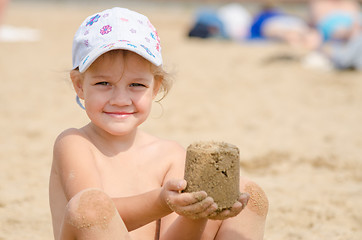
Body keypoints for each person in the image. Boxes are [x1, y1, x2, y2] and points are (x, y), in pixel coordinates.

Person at [49, 7, 268, 240]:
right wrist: (162, 201)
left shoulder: (170, 155)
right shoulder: (75, 143)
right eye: (104, 83)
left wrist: (198, 212)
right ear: (79, 85)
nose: (121, 100)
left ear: (155, 86)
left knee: (251, 194)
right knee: (90, 204)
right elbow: (91, 215)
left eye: (137, 85)